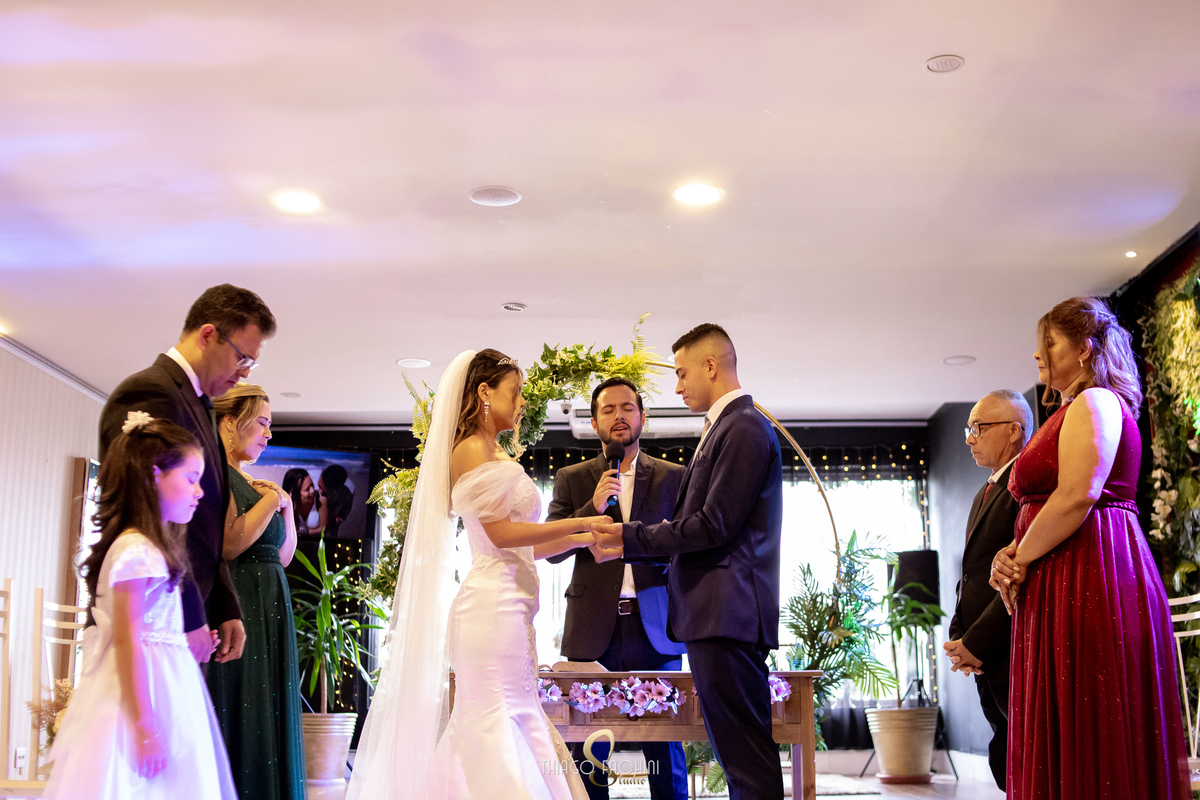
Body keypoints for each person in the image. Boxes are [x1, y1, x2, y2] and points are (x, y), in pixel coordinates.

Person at [347, 349, 611, 800]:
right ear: (485, 392)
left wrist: (585, 537)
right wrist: (581, 522)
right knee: (493, 720)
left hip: (512, 610)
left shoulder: (496, 451)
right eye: (516, 392)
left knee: (517, 712)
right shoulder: (470, 448)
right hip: (491, 610)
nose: (523, 402)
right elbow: (501, 534)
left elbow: (528, 546)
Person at [991, 297, 1190, 799]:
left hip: (1090, 570)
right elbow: (1049, 503)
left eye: (1049, 342)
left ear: (1084, 349)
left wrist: (1019, 558)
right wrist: (1011, 554)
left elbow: (1078, 495)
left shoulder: (1095, 401)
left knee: (1091, 715)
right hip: (1065, 571)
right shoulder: (1071, 408)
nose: (1037, 354)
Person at [594, 324, 784, 800]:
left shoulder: (743, 426)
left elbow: (714, 524)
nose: (677, 387)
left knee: (747, 761)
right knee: (737, 759)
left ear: (710, 366)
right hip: (715, 616)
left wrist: (629, 536)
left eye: (681, 373)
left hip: (727, 615)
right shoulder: (727, 426)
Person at [45, 413, 236, 799]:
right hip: (142, 697)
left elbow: (150, 628)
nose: (199, 492)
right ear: (153, 476)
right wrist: (145, 725)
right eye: (191, 478)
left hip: (166, 687)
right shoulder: (137, 552)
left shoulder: (148, 549)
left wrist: (177, 642)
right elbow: (127, 640)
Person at [100, 283, 276, 665]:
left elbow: (206, 520)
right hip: (155, 617)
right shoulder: (150, 393)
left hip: (193, 613)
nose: (244, 373)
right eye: (242, 357)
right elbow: (145, 516)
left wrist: (225, 604)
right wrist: (191, 613)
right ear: (208, 335)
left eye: (252, 363)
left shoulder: (202, 405)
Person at [545, 377, 688, 800]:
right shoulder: (572, 478)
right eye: (608, 410)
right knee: (590, 748)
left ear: (642, 417)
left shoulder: (673, 476)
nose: (619, 416)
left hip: (656, 626)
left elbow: (686, 546)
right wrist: (591, 507)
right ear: (593, 422)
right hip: (592, 631)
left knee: (665, 746)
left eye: (628, 408)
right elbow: (551, 552)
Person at [206, 385, 306, 800]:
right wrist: (270, 500)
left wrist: (287, 508)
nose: (268, 433)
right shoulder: (219, 474)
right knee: (246, 707)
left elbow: (282, 556)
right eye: (262, 423)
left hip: (271, 604)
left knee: (270, 707)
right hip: (242, 600)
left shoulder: (254, 482)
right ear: (231, 423)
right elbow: (230, 543)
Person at [942, 389, 1031, 792]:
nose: (968, 438)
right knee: (1006, 752)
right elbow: (973, 574)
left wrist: (977, 641)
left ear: (1014, 431)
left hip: (1010, 644)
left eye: (978, 427)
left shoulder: (1026, 487)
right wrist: (959, 634)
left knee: (1023, 750)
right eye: (968, 428)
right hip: (983, 652)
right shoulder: (986, 490)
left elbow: (1021, 575)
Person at [318, 464, 354, 537]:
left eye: (325, 490)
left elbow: (341, 516)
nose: (320, 492)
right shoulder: (317, 474)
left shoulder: (347, 491)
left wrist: (324, 528)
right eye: (320, 487)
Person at [282, 468, 318, 536]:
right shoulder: (286, 514)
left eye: (312, 484)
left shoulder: (318, 500)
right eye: (307, 489)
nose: (312, 490)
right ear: (295, 494)